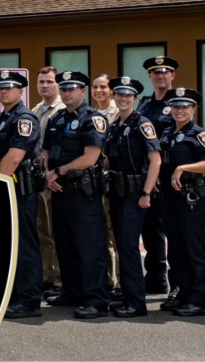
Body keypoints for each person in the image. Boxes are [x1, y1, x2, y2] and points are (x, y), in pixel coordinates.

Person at [42, 70, 110, 319]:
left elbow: (91, 157)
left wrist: (59, 171)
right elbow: (46, 150)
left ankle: (97, 298)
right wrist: (49, 173)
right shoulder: (57, 118)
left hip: (84, 193)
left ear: (83, 91)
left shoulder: (93, 119)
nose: (67, 93)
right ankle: (73, 291)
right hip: (59, 191)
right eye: (65, 89)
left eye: (73, 89)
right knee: (65, 244)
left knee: (90, 248)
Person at [0, 71, 43, 319]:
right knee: (7, 245)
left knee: (24, 245)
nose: (4, 91)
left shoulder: (24, 119)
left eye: (10, 88)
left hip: (18, 190)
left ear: (21, 92)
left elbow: (14, 156)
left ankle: (29, 301)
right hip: (4, 188)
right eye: (1, 88)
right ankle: (12, 294)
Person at [157, 88, 205, 317]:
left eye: (185, 107)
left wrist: (183, 168)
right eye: (176, 107)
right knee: (176, 250)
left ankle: (199, 301)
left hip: (192, 200)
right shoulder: (167, 133)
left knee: (195, 250)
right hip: (170, 199)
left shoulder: (200, 134)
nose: (180, 111)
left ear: (194, 109)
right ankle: (182, 294)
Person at [102, 76, 159, 318]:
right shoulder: (115, 125)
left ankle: (136, 303)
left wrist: (146, 193)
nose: (123, 98)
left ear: (135, 99)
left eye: (128, 95)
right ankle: (127, 296)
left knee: (128, 248)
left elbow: (155, 159)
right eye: (119, 94)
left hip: (135, 195)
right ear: (114, 97)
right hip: (117, 192)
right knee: (123, 247)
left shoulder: (142, 124)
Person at [137, 56, 179, 298]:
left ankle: (177, 283)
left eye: (165, 72)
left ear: (172, 75)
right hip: (147, 178)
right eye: (155, 73)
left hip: (168, 179)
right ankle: (155, 278)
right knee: (150, 230)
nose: (160, 76)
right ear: (150, 76)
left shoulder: (180, 103)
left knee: (172, 232)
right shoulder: (144, 104)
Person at [30, 67, 64, 300]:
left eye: (49, 82)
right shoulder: (36, 110)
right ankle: (47, 276)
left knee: (56, 231)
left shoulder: (62, 111)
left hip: (54, 178)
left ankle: (61, 279)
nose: (45, 86)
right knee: (41, 230)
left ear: (58, 85)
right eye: (41, 81)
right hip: (38, 179)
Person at [91, 73, 122, 301]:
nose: (99, 90)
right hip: (93, 181)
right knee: (100, 233)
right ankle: (105, 279)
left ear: (111, 90)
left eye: (103, 87)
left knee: (112, 233)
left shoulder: (117, 113)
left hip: (110, 180)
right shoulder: (92, 113)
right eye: (95, 87)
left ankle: (117, 282)